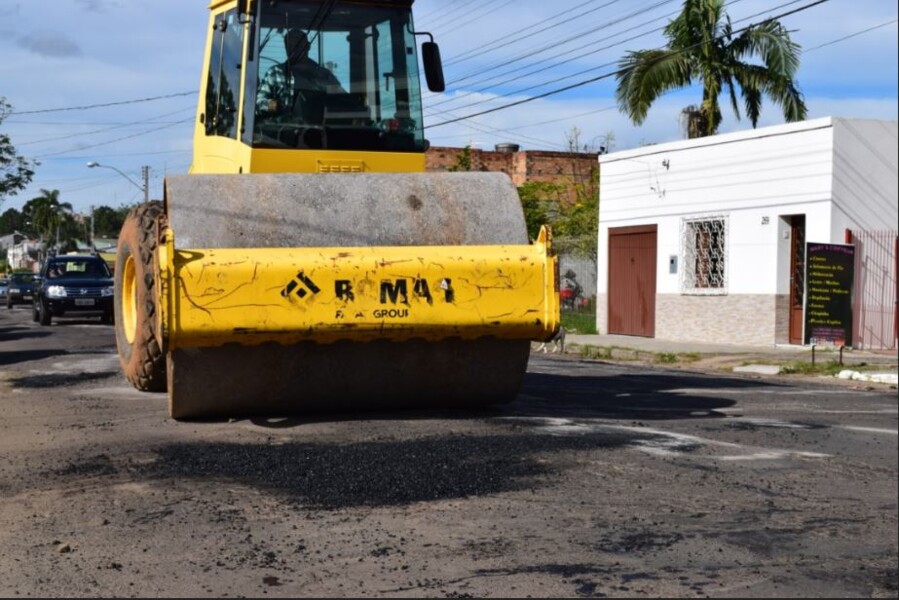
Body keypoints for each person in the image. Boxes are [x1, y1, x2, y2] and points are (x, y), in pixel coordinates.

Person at [256, 29, 345, 123]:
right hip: (279, 133)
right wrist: (274, 105)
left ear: (308, 46)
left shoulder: (324, 76)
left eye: (297, 44)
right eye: (288, 45)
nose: (292, 48)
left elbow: (344, 101)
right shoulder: (275, 73)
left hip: (319, 132)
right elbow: (258, 103)